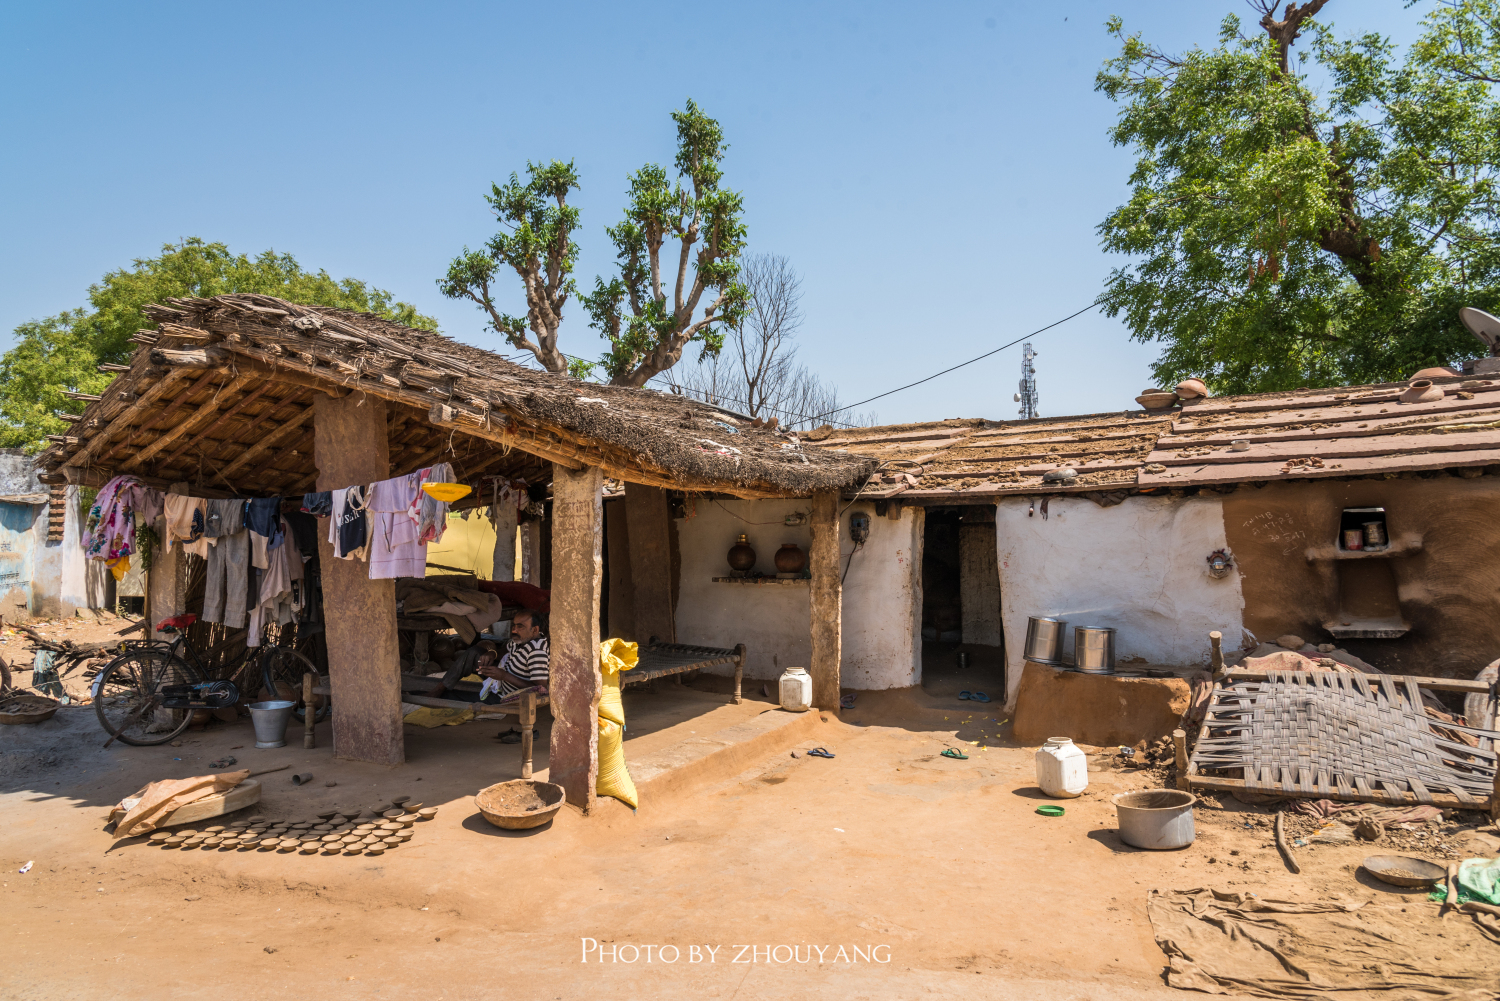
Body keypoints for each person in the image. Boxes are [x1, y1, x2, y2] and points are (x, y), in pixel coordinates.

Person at [475, 609, 549, 701]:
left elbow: (541, 689)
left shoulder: (537, 651)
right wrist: (492, 653)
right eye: (514, 625)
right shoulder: (520, 641)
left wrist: (504, 676)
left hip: (513, 703)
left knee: (461, 700)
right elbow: (506, 649)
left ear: (534, 630)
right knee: (474, 652)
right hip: (501, 691)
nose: (514, 629)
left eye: (520, 626)